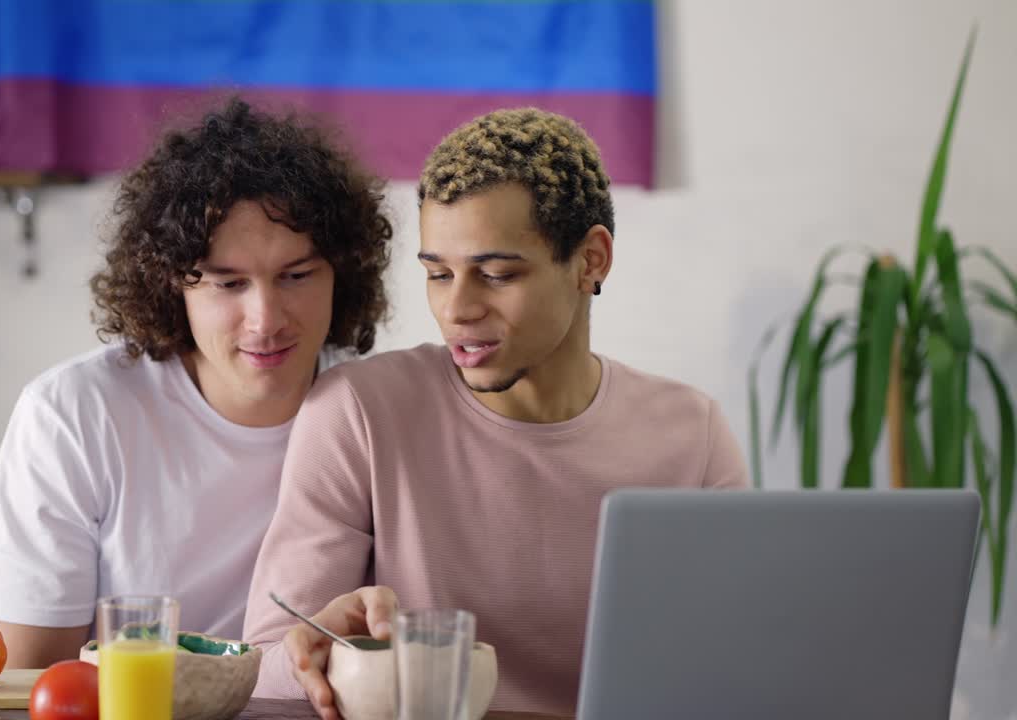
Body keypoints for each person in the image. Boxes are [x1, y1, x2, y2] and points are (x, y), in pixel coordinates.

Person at [242, 107, 750, 718]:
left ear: (591, 259)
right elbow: (267, 668)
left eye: (497, 273)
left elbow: (737, 673)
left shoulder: (691, 434)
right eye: (438, 274)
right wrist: (310, 655)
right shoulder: (359, 413)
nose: (457, 308)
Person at [0, 98, 393, 669]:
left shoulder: (380, 411)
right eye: (227, 283)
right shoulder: (72, 414)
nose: (265, 320)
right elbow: (25, 683)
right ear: (173, 285)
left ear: (343, 272)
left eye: (296, 275)